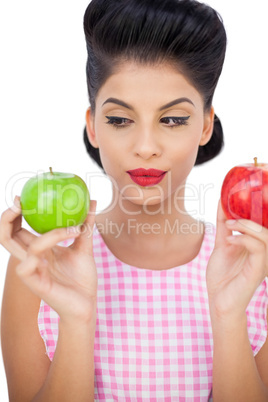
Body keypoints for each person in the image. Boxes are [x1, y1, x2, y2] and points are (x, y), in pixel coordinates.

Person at [1, 0, 268, 400]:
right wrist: (77, 317)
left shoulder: (251, 265)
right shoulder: (41, 267)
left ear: (205, 125)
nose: (146, 147)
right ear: (93, 126)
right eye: (120, 120)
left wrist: (229, 315)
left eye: (173, 120)